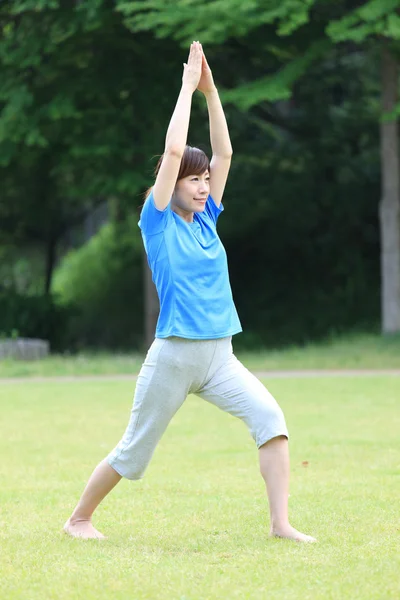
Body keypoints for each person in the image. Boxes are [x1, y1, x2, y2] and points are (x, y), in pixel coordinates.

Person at [63, 41, 316, 543]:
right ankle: (78, 519)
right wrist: (184, 88)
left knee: (271, 420)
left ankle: (280, 525)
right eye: (193, 181)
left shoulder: (207, 221)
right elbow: (176, 150)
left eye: (205, 181)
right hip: (175, 357)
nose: (203, 187)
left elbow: (223, 152)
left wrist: (212, 90)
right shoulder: (157, 223)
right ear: (170, 183)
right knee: (134, 450)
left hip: (220, 356)